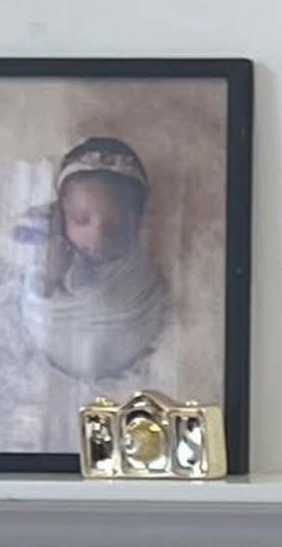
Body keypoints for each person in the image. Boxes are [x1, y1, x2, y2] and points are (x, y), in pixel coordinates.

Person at [12, 133, 176, 390]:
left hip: (126, 373)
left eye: (117, 224)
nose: (98, 237)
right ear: (61, 215)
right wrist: (51, 275)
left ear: (137, 223)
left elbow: (153, 306)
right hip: (55, 371)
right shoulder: (53, 254)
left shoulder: (137, 270)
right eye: (80, 220)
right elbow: (34, 304)